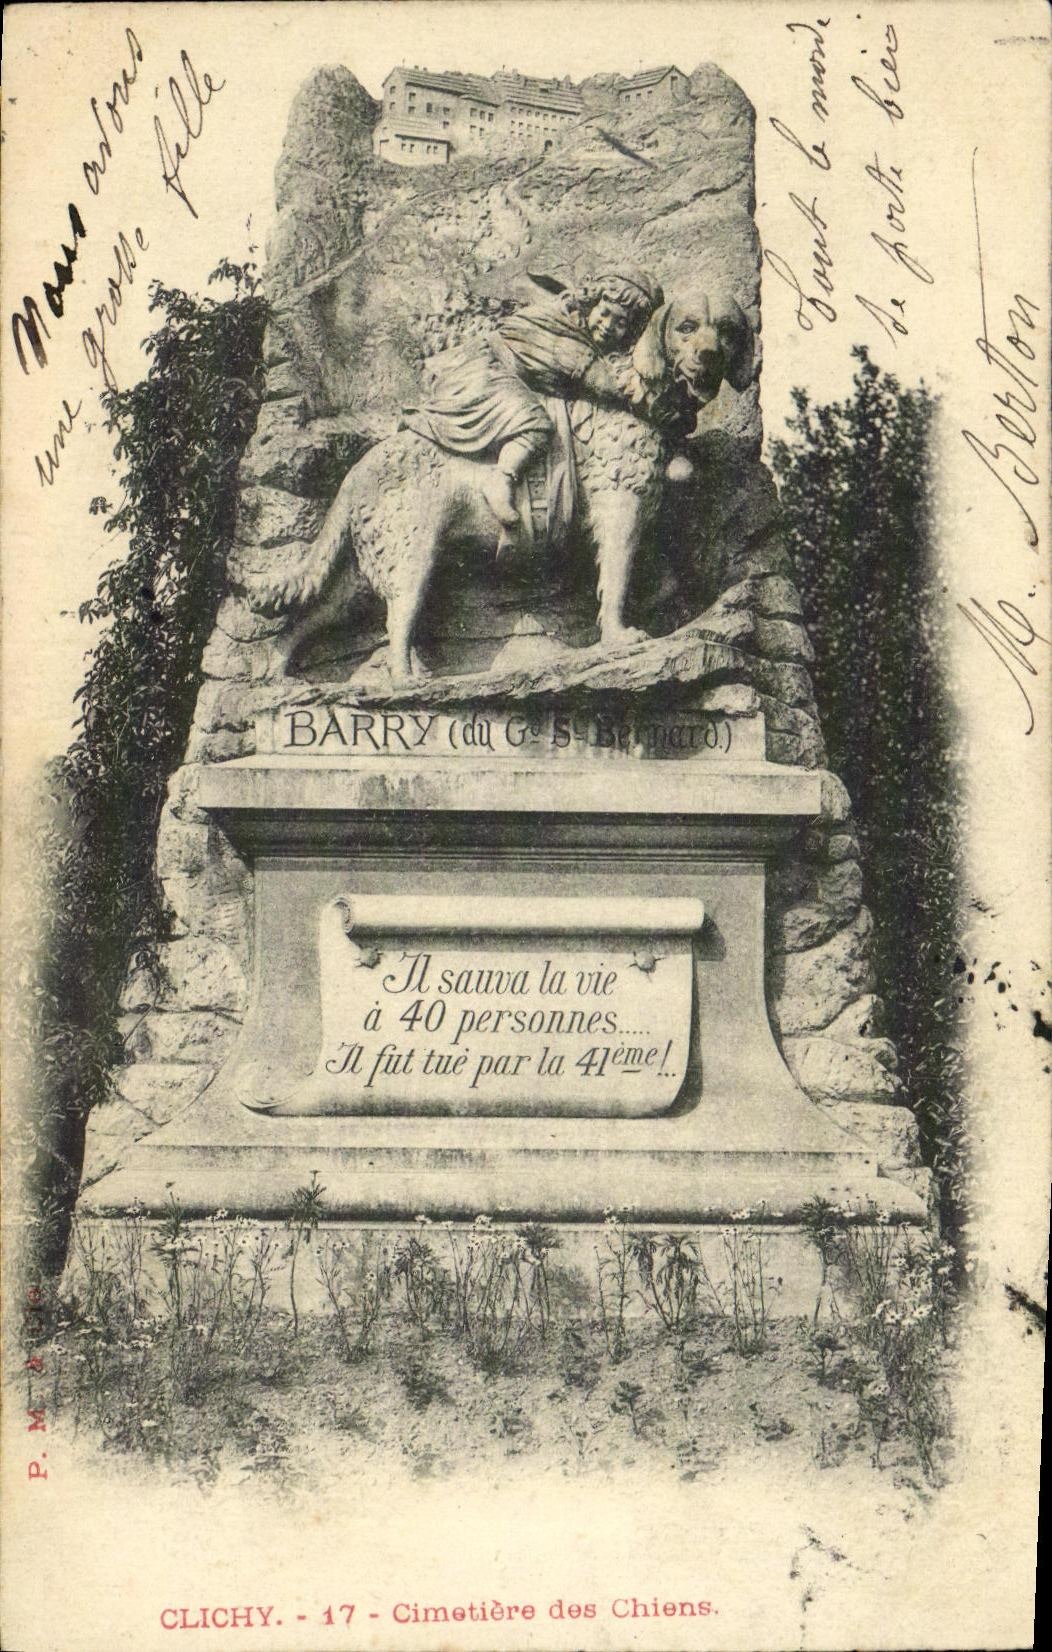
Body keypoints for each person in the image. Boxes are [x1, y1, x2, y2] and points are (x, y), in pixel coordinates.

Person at [402, 268, 663, 539]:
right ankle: (501, 479)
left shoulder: (579, 332)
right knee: (535, 424)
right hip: (483, 373)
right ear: (590, 301)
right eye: (605, 313)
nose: (609, 325)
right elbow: (607, 385)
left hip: (503, 374)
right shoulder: (565, 336)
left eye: (621, 323)